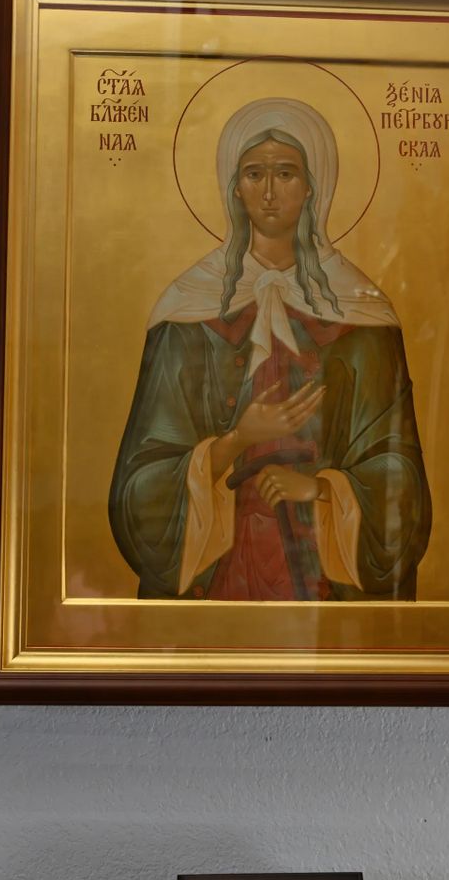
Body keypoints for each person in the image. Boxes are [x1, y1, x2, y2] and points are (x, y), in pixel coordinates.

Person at [109, 97, 431, 601]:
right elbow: (138, 490)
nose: (269, 192)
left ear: (311, 187)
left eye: (286, 173)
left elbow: (399, 477)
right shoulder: (186, 312)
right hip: (217, 578)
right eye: (254, 174)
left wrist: (323, 489)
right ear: (233, 188)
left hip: (323, 579)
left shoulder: (366, 317)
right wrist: (236, 441)